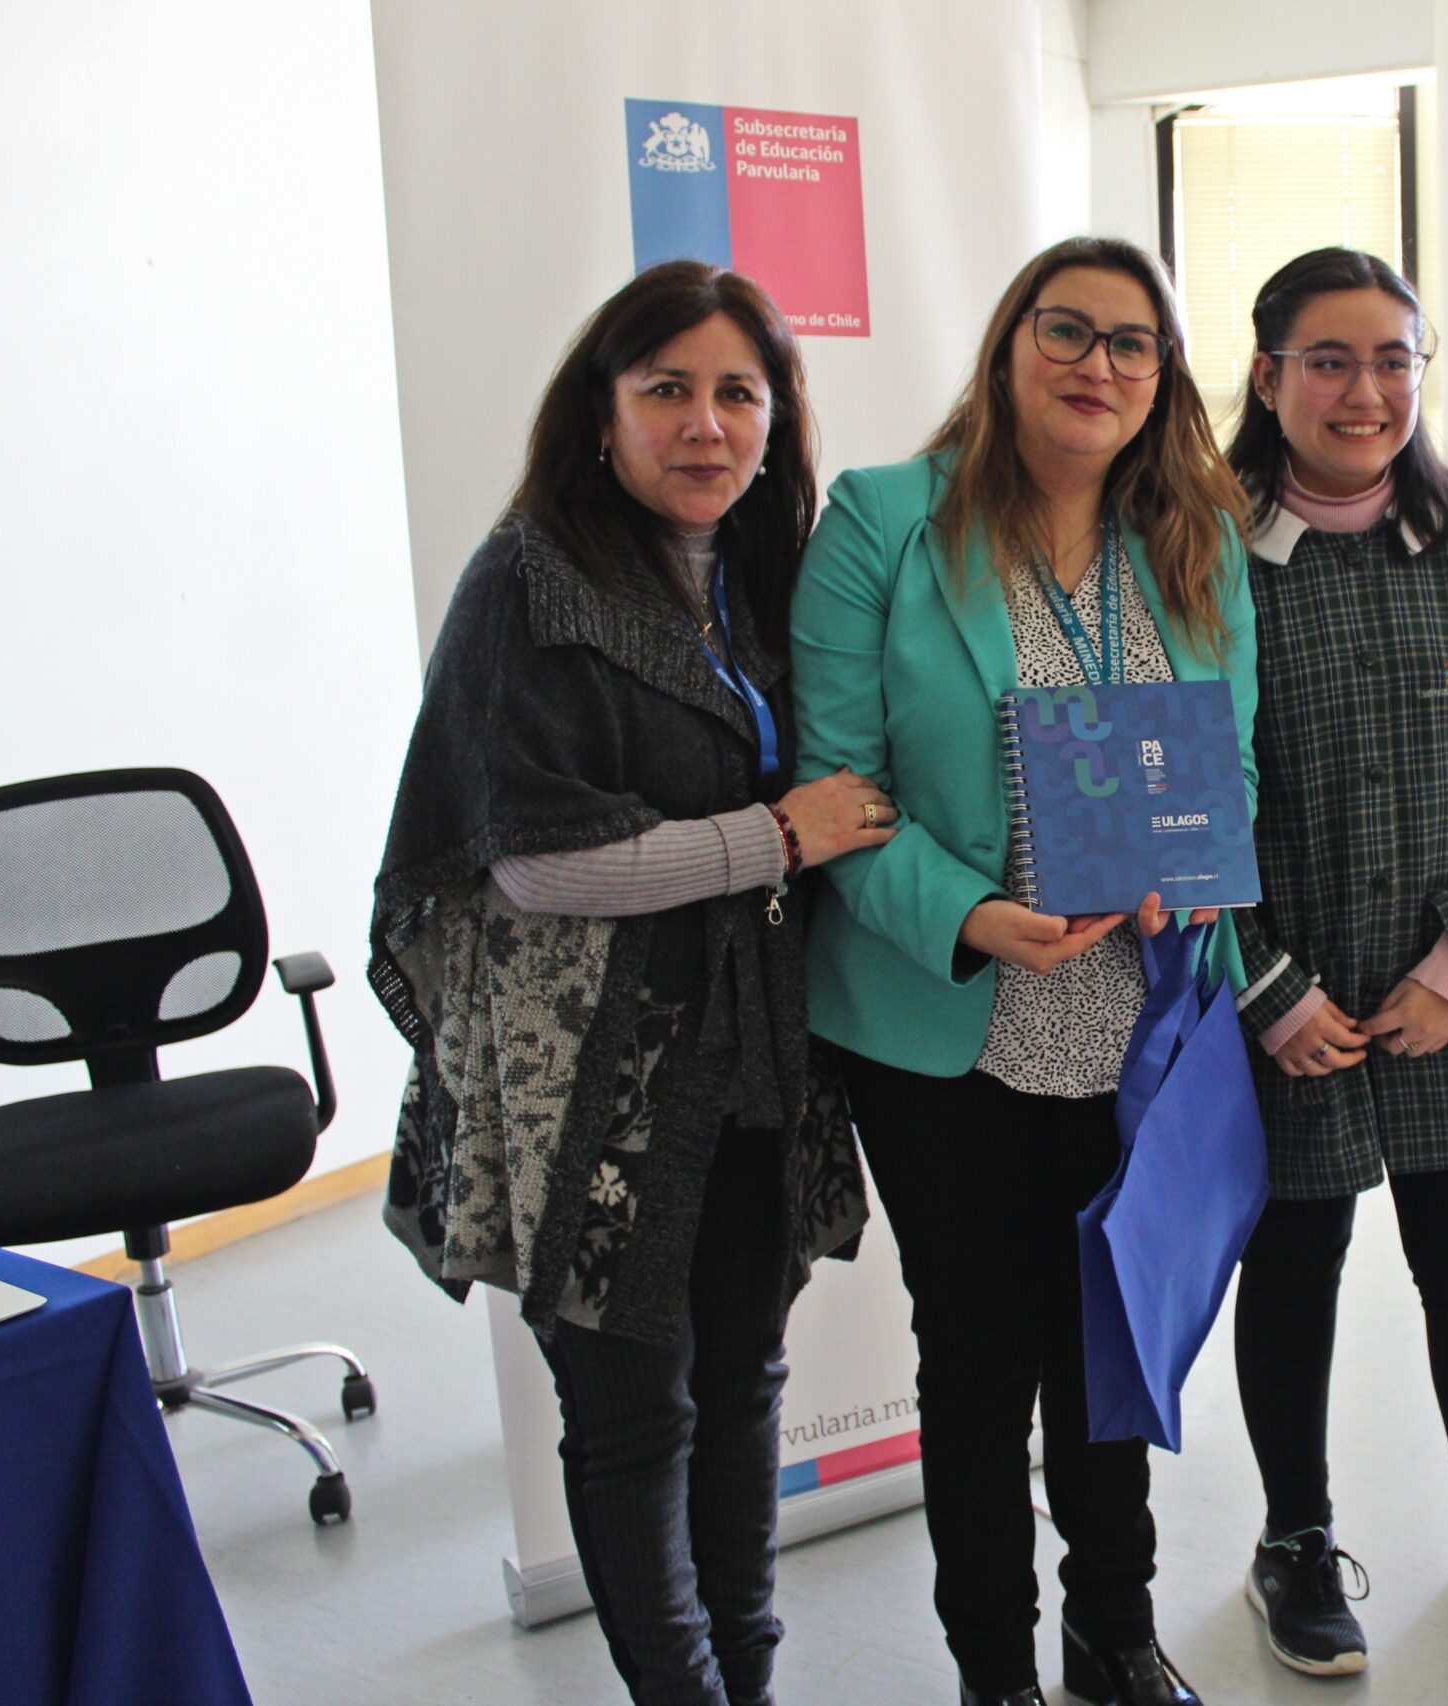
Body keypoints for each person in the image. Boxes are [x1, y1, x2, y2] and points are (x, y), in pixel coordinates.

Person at [369, 260, 897, 1706]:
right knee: (632, 1418)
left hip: (753, 1056)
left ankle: (749, 1680)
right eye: (667, 388)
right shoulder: (528, 585)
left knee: (742, 1390)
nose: (705, 425)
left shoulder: (764, 574)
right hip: (593, 1079)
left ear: (777, 419)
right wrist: (777, 837)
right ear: (600, 412)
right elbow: (537, 865)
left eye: (738, 393)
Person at [789, 235, 1255, 1706]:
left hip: (1135, 1021)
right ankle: (995, 1667)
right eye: (1067, 330)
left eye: (1132, 343)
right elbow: (838, 785)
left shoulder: (1192, 541)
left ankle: (1114, 1634)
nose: (1097, 364)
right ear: (1007, 347)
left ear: (1161, 379)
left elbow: (1228, 767)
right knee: (982, 1363)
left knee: (1107, 1345)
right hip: (949, 1016)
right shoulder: (883, 522)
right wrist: (973, 914)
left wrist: (1194, 879)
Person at [1217, 248, 1448, 1678]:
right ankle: (1295, 1540)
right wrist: (1267, 988)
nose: (1365, 390)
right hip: (1287, 1004)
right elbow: (1173, 794)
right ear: (1269, 377)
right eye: (1330, 359)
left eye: (1393, 359)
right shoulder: (1200, 554)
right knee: (1293, 1264)